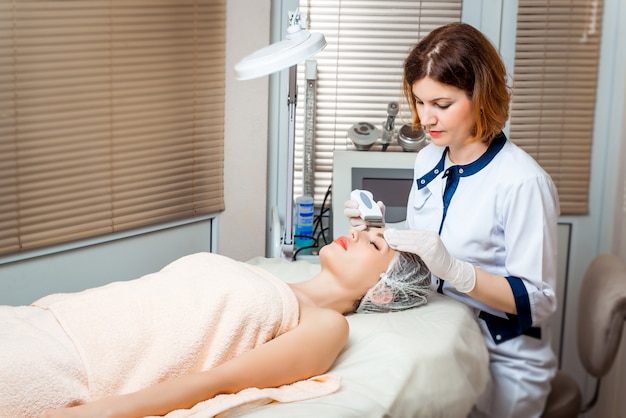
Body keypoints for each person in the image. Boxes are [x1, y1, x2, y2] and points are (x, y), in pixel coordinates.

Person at [345, 22, 560, 418]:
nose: (426, 119)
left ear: (481, 97)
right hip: (440, 334)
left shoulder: (523, 183)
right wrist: (376, 231)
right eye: (420, 102)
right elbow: (421, 259)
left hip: (503, 358)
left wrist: (459, 273)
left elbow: (539, 300)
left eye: (441, 105)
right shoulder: (428, 158)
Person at [0, 227, 430, 418]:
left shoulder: (327, 325)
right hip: (47, 320)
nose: (356, 234)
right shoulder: (273, 276)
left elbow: (221, 382)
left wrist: (101, 414)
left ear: (384, 290)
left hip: (72, 364)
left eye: (374, 243)